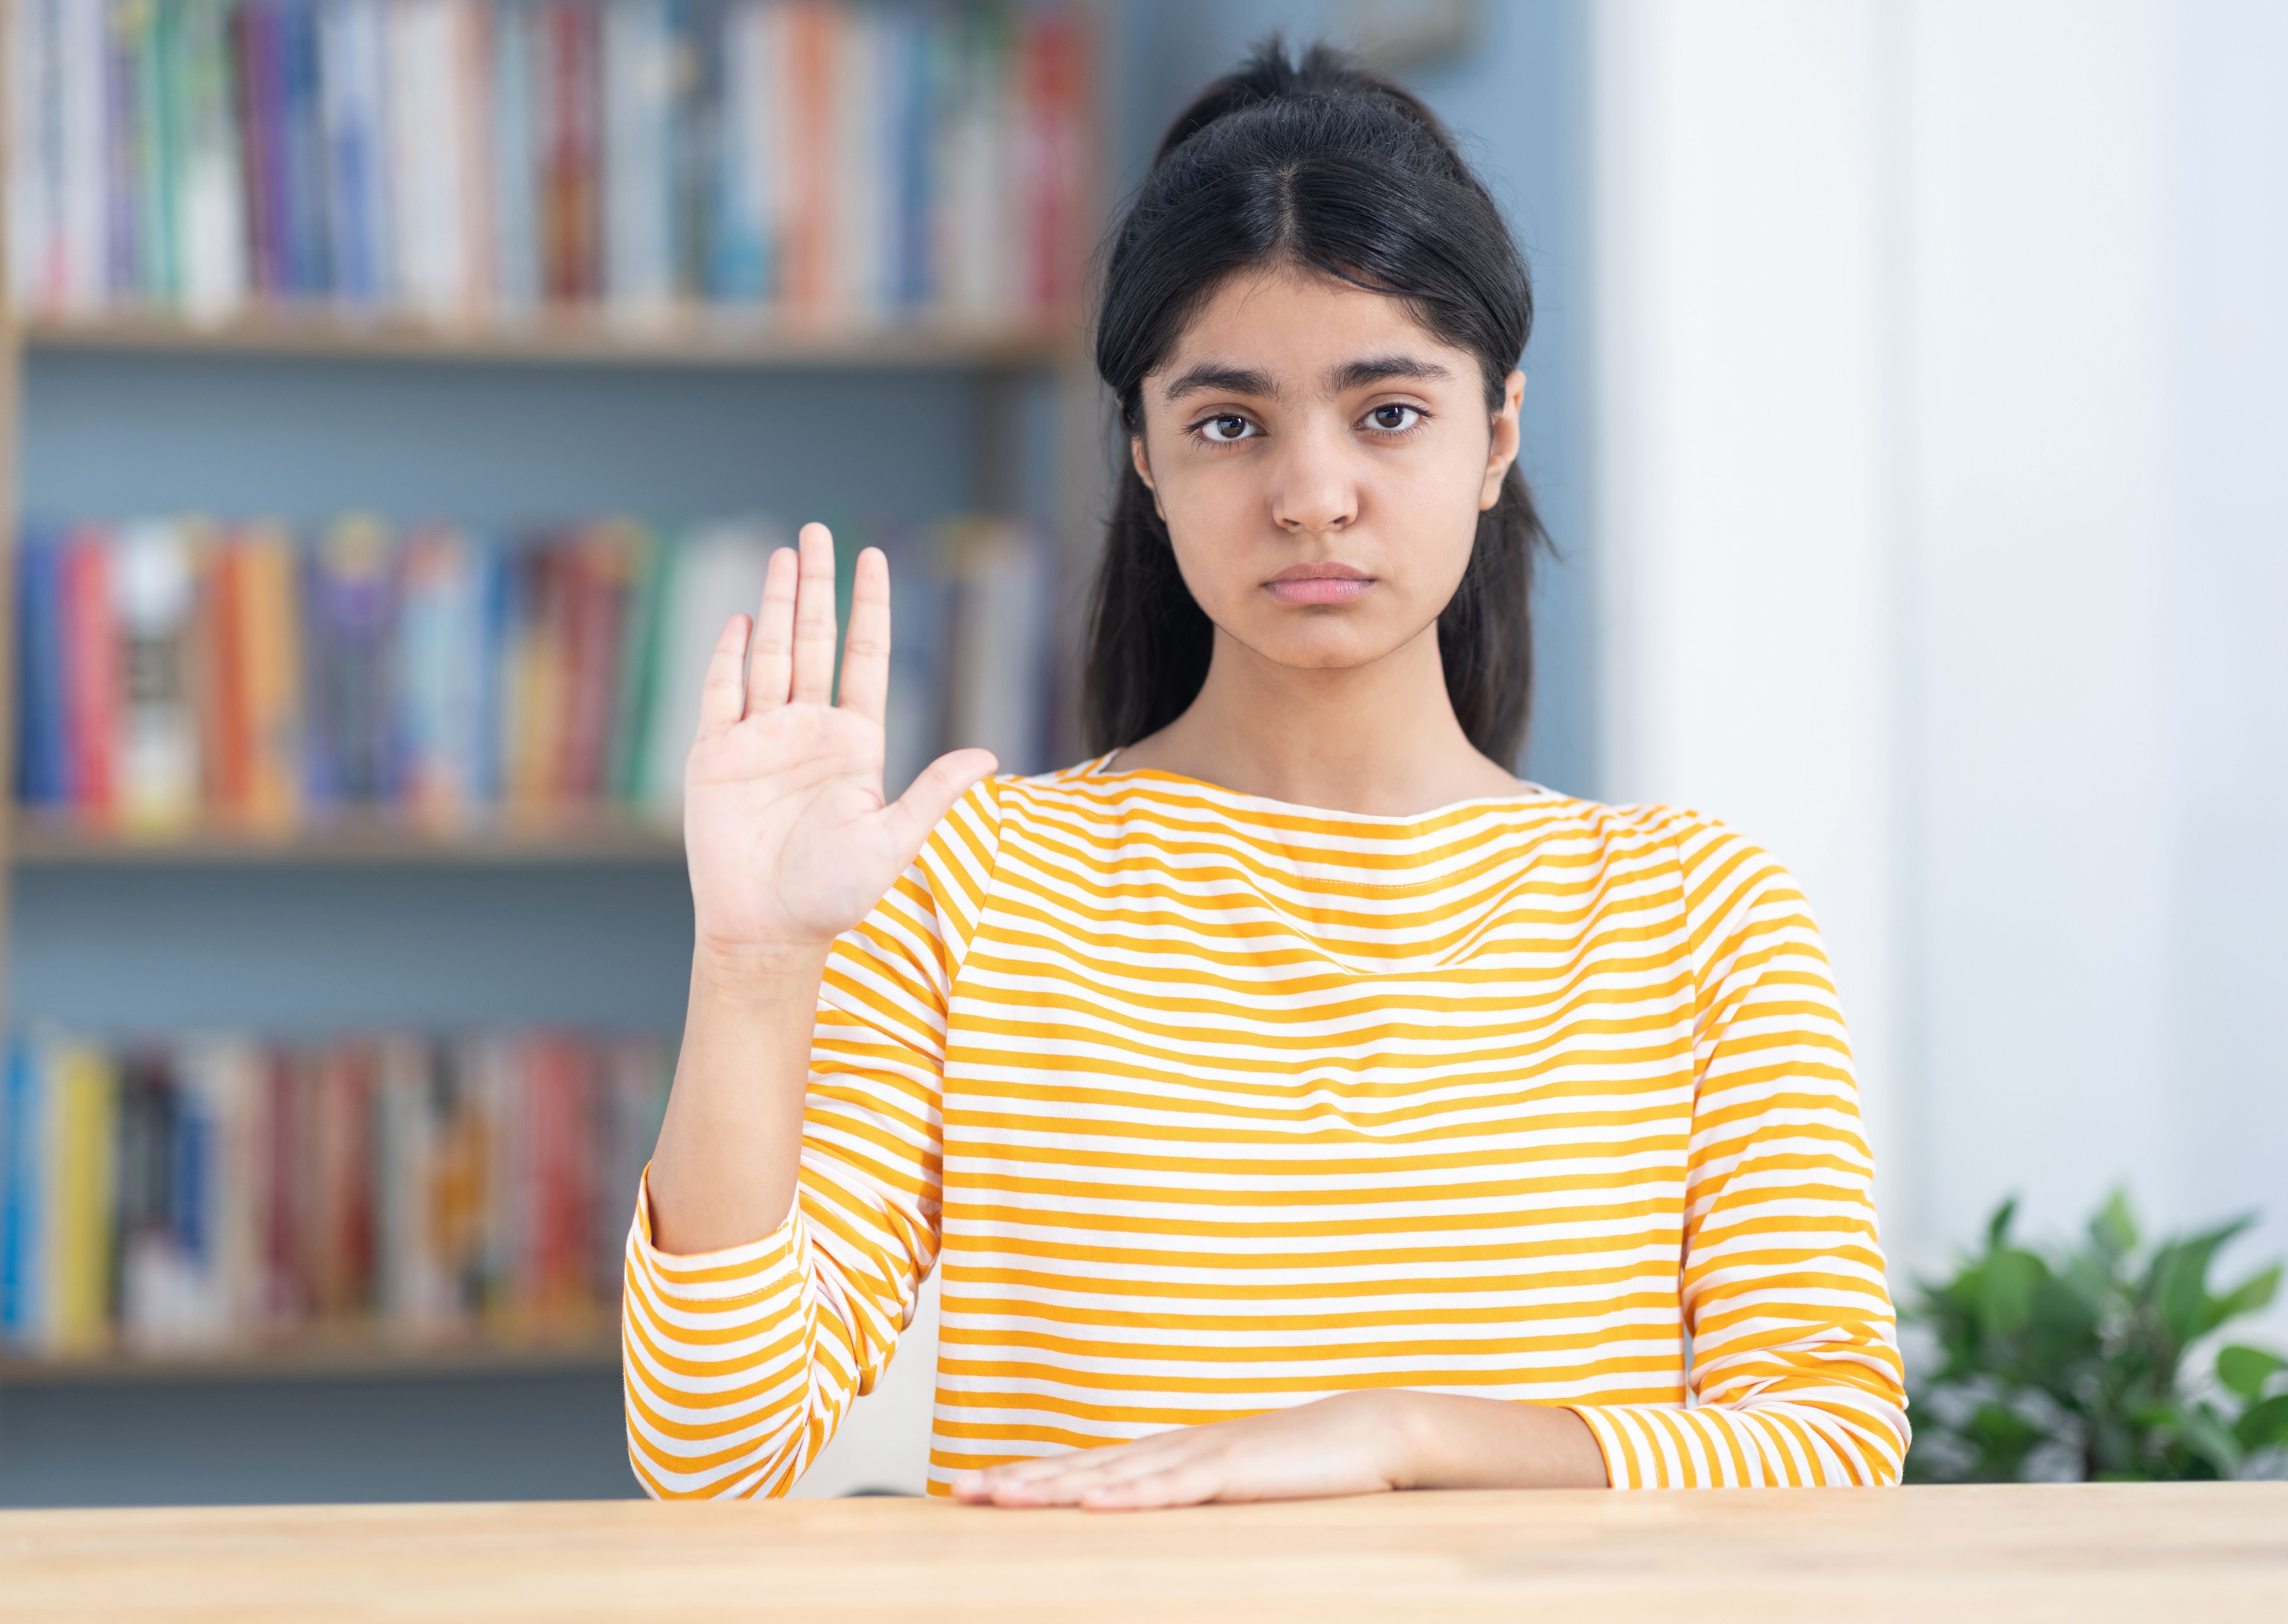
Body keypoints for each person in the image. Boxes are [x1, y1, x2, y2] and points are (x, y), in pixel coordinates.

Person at [625, 39, 1908, 1507]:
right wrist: (752, 966)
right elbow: (714, 1457)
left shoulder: (1702, 915)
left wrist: (1399, 1436)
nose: (1313, 496)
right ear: (1149, 461)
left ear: (1496, 436)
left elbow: (1828, 1445)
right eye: (1230, 424)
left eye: (1390, 412)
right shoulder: (972, 886)